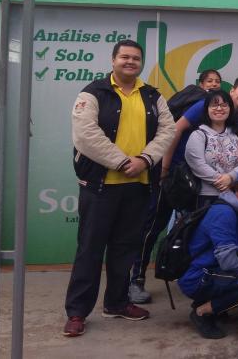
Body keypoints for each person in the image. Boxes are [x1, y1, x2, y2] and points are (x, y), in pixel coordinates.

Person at [64, 40, 176, 337]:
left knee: (124, 250)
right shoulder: (93, 92)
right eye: (124, 57)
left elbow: (169, 129)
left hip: (138, 186)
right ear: (113, 60)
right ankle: (77, 312)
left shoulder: (152, 95)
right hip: (100, 186)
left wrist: (145, 160)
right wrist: (122, 162)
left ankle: (117, 302)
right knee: (89, 250)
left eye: (135, 58)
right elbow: (85, 135)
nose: (130, 62)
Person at [129, 68, 223, 304]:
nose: (213, 85)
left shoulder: (222, 111)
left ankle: (189, 277)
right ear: (201, 84)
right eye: (210, 81)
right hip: (172, 175)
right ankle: (135, 279)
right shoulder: (201, 104)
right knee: (153, 225)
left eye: (217, 82)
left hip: (195, 180)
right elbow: (176, 129)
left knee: (191, 228)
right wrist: (165, 168)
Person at [177, 166, 238, 339]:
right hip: (197, 277)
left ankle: (211, 303)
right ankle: (202, 312)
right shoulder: (224, 212)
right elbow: (227, 262)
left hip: (214, 271)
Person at [184, 90, 238, 209]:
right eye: (214, 105)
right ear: (207, 109)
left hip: (235, 195)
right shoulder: (198, 135)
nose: (219, 108)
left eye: (224, 105)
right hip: (206, 197)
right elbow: (197, 164)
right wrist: (223, 182)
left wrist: (230, 177)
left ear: (230, 109)